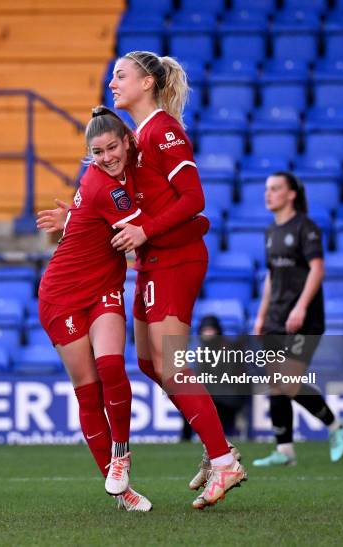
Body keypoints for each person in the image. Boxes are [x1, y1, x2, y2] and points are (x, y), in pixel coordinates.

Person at [37, 106, 209, 512]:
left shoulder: (118, 180)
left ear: (128, 143)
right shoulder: (106, 186)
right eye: (97, 152)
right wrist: (200, 227)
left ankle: (122, 455)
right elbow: (147, 232)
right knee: (88, 392)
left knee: (112, 367)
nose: (106, 157)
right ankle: (121, 489)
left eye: (112, 147)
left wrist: (73, 216)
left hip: (103, 289)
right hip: (61, 294)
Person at [107, 50, 246, 509]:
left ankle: (224, 460)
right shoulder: (140, 134)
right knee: (150, 363)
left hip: (177, 257)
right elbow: (154, 201)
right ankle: (215, 446)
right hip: (153, 259)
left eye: (121, 75)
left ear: (147, 82)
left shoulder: (164, 130)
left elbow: (194, 198)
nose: (113, 83)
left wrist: (144, 229)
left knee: (172, 365)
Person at [252, 171, 343, 467]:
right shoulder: (271, 232)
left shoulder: (306, 227)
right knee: (276, 383)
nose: (269, 194)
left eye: (275, 189)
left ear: (291, 194)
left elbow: (318, 269)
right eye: (267, 189)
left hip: (303, 318)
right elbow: (271, 277)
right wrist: (260, 316)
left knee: (288, 381)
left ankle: (335, 425)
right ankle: (285, 451)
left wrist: (300, 308)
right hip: (275, 317)